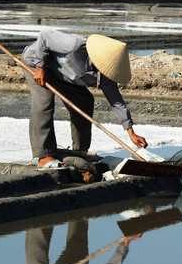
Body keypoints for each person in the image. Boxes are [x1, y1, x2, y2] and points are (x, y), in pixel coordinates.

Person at [21, 29, 147, 169]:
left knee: (84, 100)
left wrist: (131, 132)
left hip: (62, 74)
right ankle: (44, 155)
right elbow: (44, 36)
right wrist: (40, 66)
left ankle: (80, 151)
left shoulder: (106, 76)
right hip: (37, 63)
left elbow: (117, 102)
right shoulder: (74, 44)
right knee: (44, 102)